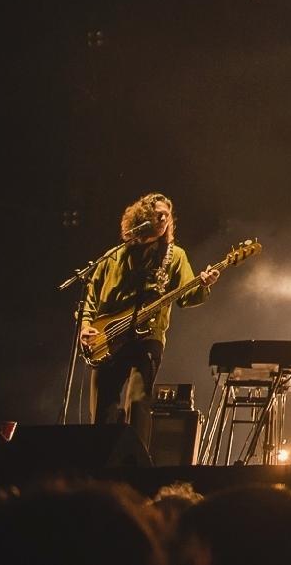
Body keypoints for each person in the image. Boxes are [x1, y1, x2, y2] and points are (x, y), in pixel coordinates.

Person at [79, 194, 221, 453]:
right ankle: (100, 460)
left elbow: (187, 297)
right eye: (158, 214)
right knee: (103, 407)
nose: (164, 219)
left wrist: (204, 284)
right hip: (107, 335)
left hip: (148, 336)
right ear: (141, 218)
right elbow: (91, 296)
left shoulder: (174, 256)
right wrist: (86, 325)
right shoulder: (114, 256)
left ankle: (135, 461)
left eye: (167, 215)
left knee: (138, 402)